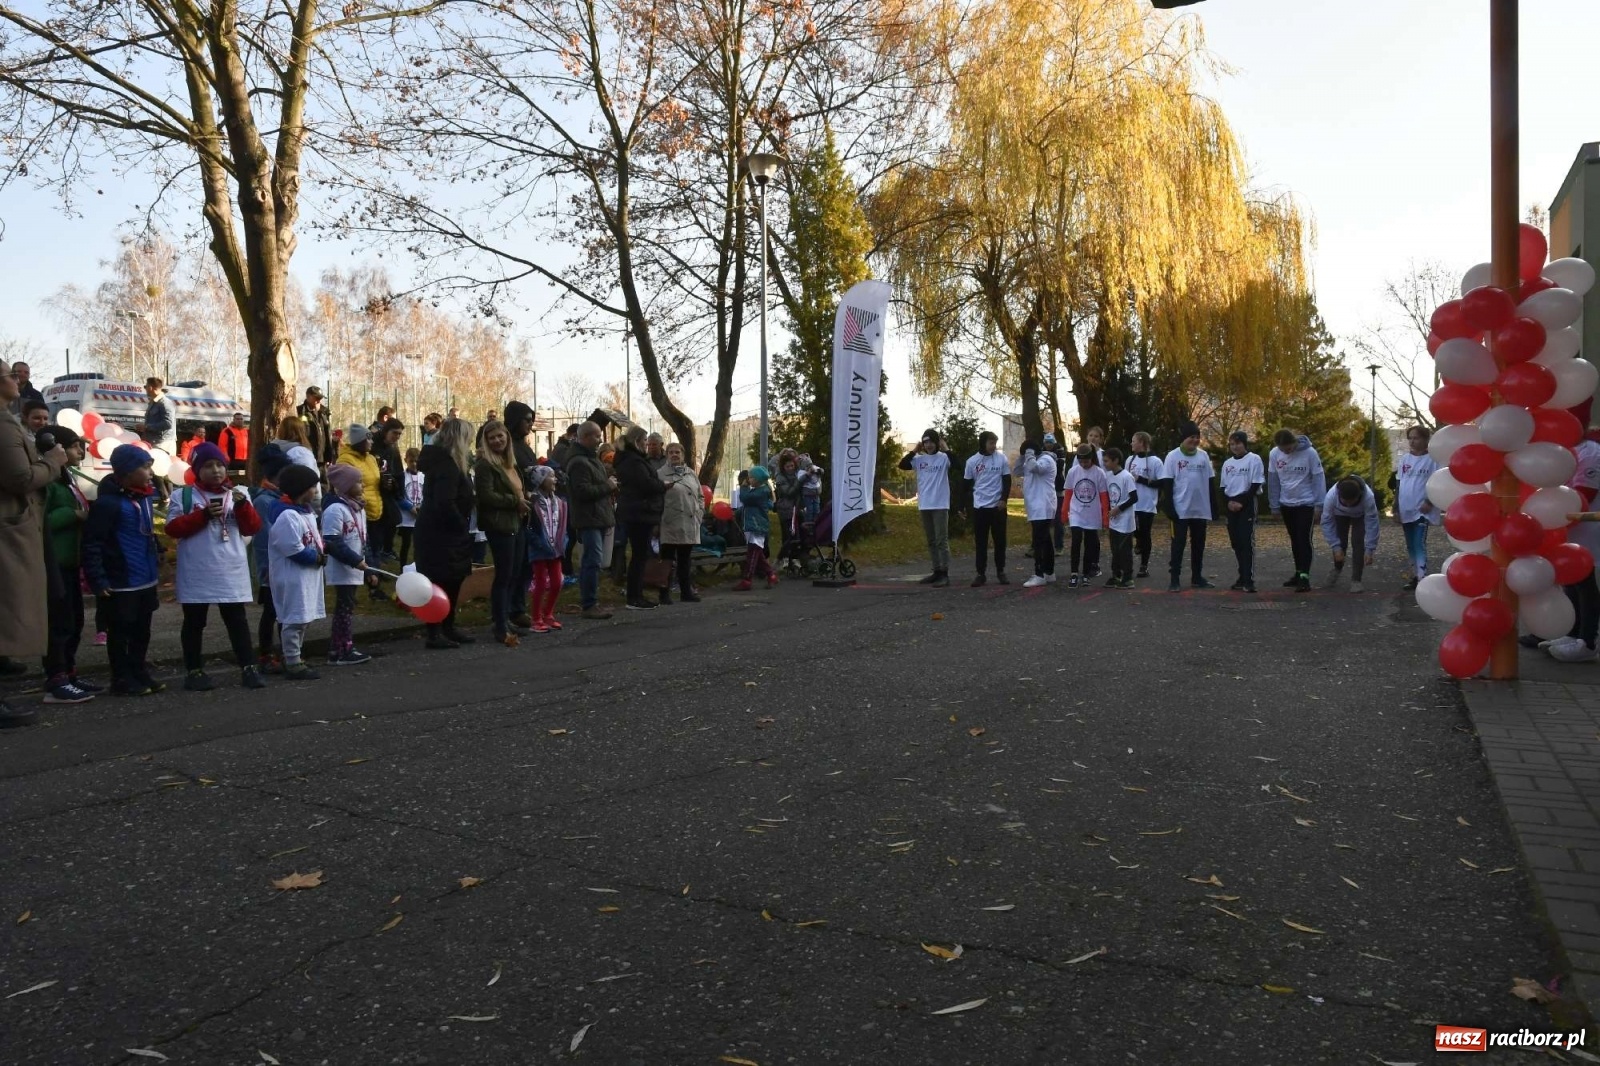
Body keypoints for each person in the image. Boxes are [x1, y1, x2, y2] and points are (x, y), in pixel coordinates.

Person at [165, 442, 266, 691]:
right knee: (194, 622)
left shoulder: (239, 493)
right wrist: (203, 515)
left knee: (236, 620)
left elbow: (252, 528)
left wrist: (243, 507)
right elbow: (172, 528)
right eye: (208, 466)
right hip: (197, 571)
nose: (216, 470)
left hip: (230, 569)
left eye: (220, 465)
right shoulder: (183, 496)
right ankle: (194, 670)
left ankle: (248, 667)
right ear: (197, 470)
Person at [1, 366, 68, 727]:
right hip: (11, 530)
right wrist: (52, 464)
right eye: (9, 375)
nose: (17, 379)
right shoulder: (3, 425)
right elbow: (20, 478)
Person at [81, 444, 163, 697]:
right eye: (145, 467)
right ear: (127, 472)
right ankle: (121, 677)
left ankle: (138, 669)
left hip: (146, 576)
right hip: (121, 579)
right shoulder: (108, 504)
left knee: (142, 630)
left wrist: (158, 550)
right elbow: (92, 542)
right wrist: (98, 578)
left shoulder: (146, 497)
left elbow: (147, 530)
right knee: (120, 631)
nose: (150, 473)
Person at [40, 426, 98, 703]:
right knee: (59, 622)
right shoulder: (47, 482)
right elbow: (41, 521)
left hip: (72, 561)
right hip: (55, 562)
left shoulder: (68, 478)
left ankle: (70, 672)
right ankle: (56, 678)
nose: (80, 452)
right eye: (73, 446)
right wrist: (72, 514)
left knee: (75, 619)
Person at [414, 418, 478, 647]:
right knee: (440, 581)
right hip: (441, 533)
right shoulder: (446, 466)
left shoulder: (447, 463)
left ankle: (447, 626)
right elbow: (445, 502)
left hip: (443, 531)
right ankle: (435, 631)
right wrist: (460, 523)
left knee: (452, 580)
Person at [267, 465, 326, 681]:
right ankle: (292, 660)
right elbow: (292, 548)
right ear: (302, 489)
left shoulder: (306, 512)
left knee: (304, 617)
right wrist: (316, 557)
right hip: (292, 576)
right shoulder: (287, 516)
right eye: (312, 487)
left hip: (307, 577)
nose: (315, 491)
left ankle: (296, 655)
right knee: (295, 618)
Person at [475, 419, 531, 644]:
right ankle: (499, 625)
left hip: (517, 523)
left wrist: (526, 499)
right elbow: (486, 496)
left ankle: (505, 618)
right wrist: (514, 501)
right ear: (486, 442)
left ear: (507, 437)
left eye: (500, 436)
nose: (497, 440)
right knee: (504, 576)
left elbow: (519, 491)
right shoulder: (485, 465)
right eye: (492, 438)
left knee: (514, 574)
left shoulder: (511, 462)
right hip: (500, 525)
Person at [321, 463, 375, 665]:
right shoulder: (335, 510)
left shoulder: (358, 508)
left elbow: (363, 539)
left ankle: (338, 648)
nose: (362, 485)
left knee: (347, 607)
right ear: (344, 486)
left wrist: (368, 566)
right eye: (358, 482)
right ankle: (344, 648)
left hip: (356, 566)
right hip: (343, 567)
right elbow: (332, 541)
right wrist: (355, 560)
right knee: (344, 607)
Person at [565, 421, 617, 619]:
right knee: (591, 561)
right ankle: (589, 604)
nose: (600, 440)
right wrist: (608, 486)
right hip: (589, 518)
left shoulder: (589, 458)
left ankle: (592, 602)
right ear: (585, 437)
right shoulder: (579, 461)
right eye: (596, 436)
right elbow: (582, 492)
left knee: (594, 560)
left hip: (597, 515)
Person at [613, 425, 669, 611]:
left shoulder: (630, 459)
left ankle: (636, 595)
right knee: (639, 556)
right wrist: (662, 485)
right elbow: (646, 484)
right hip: (639, 513)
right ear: (637, 441)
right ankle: (634, 596)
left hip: (638, 511)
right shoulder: (633, 462)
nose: (647, 445)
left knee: (640, 555)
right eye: (645, 441)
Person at [251, 444, 294, 673]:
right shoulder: (264, 501)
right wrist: (267, 568)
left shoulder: (282, 499)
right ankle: (266, 654)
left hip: (284, 566)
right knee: (271, 612)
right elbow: (263, 540)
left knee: (283, 611)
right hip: (271, 568)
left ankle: (287, 652)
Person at [1268, 428, 1326, 593]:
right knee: (1294, 540)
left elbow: (1318, 478)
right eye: (1283, 449)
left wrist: (1318, 505)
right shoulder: (1274, 454)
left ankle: (1305, 577)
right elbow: (1273, 480)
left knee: (1303, 539)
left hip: (1305, 503)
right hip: (1287, 503)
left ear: (1294, 442)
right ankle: (1298, 572)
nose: (1287, 451)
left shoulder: (1310, 453)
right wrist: (1274, 505)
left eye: (1289, 448)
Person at [1160, 420, 1215, 592]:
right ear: (1184, 438)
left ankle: (1197, 577)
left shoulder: (1203, 456)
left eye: (1197, 437)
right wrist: (1169, 507)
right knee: (1178, 545)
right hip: (1180, 510)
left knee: (1198, 545)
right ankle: (1174, 579)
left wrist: (1214, 507)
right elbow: (1167, 483)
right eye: (1192, 437)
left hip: (1200, 509)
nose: (1195, 440)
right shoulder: (1173, 456)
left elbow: (1210, 480)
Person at [336, 424, 386, 600]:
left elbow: (374, 481)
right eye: (368, 439)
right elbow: (344, 486)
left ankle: (374, 585)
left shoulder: (371, 459)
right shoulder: (346, 460)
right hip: (358, 511)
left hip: (375, 510)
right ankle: (358, 586)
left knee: (375, 550)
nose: (371, 442)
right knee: (363, 549)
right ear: (359, 441)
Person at [501, 401, 540, 629]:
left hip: (529, 510)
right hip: (514, 510)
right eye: (527, 419)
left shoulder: (524, 446)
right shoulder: (509, 445)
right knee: (512, 566)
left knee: (525, 564)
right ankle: (508, 610)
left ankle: (518, 607)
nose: (530, 424)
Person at [899, 429, 952, 586]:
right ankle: (936, 571)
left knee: (941, 540)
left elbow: (957, 464)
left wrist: (946, 448)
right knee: (931, 540)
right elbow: (902, 465)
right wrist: (915, 450)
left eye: (931, 442)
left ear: (936, 442)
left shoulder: (943, 458)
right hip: (925, 504)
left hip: (940, 504)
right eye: (925, 442)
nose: (928, 445)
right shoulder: (919, 459)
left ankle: (944, 573)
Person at [659, 442, 705, 604]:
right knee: (667, 560)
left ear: (683, 454)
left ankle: (686, 592)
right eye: (671, 452)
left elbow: (700, 496)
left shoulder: (691, 474)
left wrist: (699, 513)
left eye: (677, 452)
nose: (674, 455)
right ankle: (664, 593)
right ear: (666, 455)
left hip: (689, 522)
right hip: (670, 523)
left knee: (685, 560)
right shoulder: (660, 474)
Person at [1393, 426, 1438, 590]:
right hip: (1406, 508)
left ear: (1425, 440)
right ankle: (1415, 575)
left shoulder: (1433, 459)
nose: (1412, 441)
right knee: (1410, 544)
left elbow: (1437, 483)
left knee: (1419, 543)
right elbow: (1399, 483)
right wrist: (1396, 507)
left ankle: (1422, 577)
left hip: (1422, 510)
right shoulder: (1404, 459)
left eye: (1416, 438)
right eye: (1410, 438)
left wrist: (1429, 501)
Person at [1220, 430, 1265, 594]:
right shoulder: (1227, 463)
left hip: (1246, 503)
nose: (1235, 447)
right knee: (1236, 542)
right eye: (1232, 444)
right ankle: (1241, 576)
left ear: (1244, 444)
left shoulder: (1254, 459)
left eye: (1238, 443)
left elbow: (1255, 484)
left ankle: (1249, 579)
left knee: (1246, 542)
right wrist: (1229, 503)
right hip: (1231, 504)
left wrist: (1241, 501)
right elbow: (1223, 487)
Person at [964, 431, 1011, 587]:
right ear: (983, 443)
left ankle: (1001, 571)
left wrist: (1004, 499)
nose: (993, 446)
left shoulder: (1001, 458)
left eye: (995, 443)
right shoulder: (972, 461)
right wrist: (964, 505)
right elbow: (966, 485)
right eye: (991, 443)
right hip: (980, 507)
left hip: (997, 507)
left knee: (1000, 541)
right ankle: (980, 573)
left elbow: (1007, 480)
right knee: (981, 542)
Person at [526, 466, 568, 632]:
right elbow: (528, 528)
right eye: (551, 476)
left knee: (557, 583)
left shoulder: (559, 502)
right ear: (540, 480)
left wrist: (563, 541)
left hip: (555, 549)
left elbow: (563, 525)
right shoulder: (533, 502)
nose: (555, 479)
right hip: (540, 549)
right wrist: (538, 543)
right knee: (541, 583)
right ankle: (536, 618)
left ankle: (548, 613)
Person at [1321, 475, 1380, 593]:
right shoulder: (1331, 496)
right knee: (1340, 541)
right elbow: (1327, 522)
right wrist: (1335, 546)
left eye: (1351, 501)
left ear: (1359, 496)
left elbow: (1372, 523)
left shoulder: (1368, 497)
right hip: (1339, 514)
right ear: (1339, 495)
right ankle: (1337, 569)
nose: (1348, 505)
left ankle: (1356, 580)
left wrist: (1370, 549)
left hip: (1360, 516)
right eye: (1345, 501)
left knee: (1358, 543)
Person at [1063, 444, 1108, 588]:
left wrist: (1105, 516)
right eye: (1081, 462)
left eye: (1086, 462)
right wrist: (1064, 512)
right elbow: (1068, 493)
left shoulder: (1099, 473)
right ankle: (1074, 573)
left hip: (1092, 513)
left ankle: (1086, 573)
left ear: (1092, 459)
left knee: (1090, 543)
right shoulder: (1073, 472)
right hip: (1077, 512)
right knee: (1076, 541)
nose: (1083, 464)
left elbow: (1103, 496)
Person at [1018, 441, 1057, 588]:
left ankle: (1039, 573)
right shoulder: (1031, 461)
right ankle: (1049, 572)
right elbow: (1016, 471)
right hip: (1035, 506)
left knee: (1039, 541)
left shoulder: (1046, 460)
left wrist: (1029, 453)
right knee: (1045, 540)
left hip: (1043, 505)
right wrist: (1024, 456)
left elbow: (1034, 468)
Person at [737, 464, 777, 591]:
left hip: (756, 525)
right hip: (752, 524)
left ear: (758, 480)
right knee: (757, 554)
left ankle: (747, 579)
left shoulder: (759, 492)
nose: (749, 480)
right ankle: (771, 574)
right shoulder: (760, 491)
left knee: (752, 554)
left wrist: (743, 487)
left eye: (751, 478)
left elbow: (745, 498)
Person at [370, 418, 405, 563]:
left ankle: (385, 552)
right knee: (375, 531)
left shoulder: (392, 447)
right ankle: (375, 562)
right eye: (395, 433)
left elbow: (397, 470)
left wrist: (396, 486)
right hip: (372, 491)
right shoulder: (372, 445)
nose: (397, 437)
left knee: (392, 520)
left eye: (399, 434)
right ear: (386, 431)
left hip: (388, 491)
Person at [1103, 447, 1139, 589]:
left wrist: (1119, 508)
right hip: (1114, 520)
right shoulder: (1109, 475)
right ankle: (1116, 574)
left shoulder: (1126, 477)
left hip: (1125, 521)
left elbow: (1134, 498)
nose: (1105, 463)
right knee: (1115, 549)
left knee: (1124, 549)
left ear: (1115, 460)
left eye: (1107, 461)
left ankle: (1128, 577)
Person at [1127, 431, 1162, 578]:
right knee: (1136, 532)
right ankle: (1138, 541)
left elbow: (1162, 482)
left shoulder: (1155, 461)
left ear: (1141, 442)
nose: (1131, 443)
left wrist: (1141, 479)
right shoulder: (1130, 459)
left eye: (1134, 441)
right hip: (1132, 503)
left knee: (1145, 533)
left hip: (1147, 504)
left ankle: (1143, 565)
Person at [772, 449, 804, 572]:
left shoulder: (797, 473)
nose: (790, 468)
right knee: (789, 535)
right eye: (787, 466)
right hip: (786, 509)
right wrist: (799, 481)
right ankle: (782, 559)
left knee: (797, 535)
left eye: (791, 465)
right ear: (783, 467)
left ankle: (792, 558)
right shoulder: (780, 477)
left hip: (797, 508)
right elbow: (789, 493)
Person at [296, 386, 336, 468]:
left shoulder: (324, 413)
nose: (318, 401)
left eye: (320, 399)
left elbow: (327, 435)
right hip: (307, 458)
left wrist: (329, 457)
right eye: (316, 398)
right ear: (308, 397)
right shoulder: (300, 412)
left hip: (323, 460)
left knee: (324, 480)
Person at [398, 447, 423, 566]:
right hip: (406, 518)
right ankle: (403, 568)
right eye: (411, 461)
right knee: (406, 544)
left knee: (419, 544)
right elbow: (399, 496)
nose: (414, 464)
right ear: (405, 460)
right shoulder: (402, 476)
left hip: (420, 516)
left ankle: (418, 567)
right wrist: (409, 507)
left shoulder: (424, 476)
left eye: (417, 461)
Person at [141, 377, 178, 455]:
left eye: (146, 386)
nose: (145, 389)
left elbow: (168, 423)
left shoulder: (165, 403)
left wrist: (147, 427)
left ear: (151, 388)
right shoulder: (153, 402)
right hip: (154, 443)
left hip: (163, 444)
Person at [221, 411, 250, 475]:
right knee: (233, 479)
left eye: (241, 419)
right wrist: (227, 458)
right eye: (237, 419)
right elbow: (222, 446)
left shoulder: (246, 431)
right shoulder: (227, 431)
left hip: (245, 460)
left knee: (244, 479)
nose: (239, 420)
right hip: (233, 460)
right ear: (233, 420)